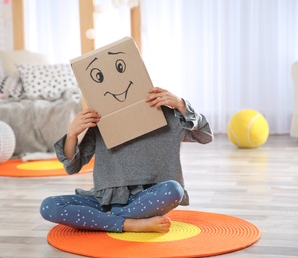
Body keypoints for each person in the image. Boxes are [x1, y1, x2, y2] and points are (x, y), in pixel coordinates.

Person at [40, 87, 213, 233]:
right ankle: (129, 224)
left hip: (145, 201)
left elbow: (205, 136)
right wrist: (72, 134)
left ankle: (111, 220)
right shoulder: (102, 120)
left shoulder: (168, 116)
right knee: (49, 206)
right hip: (104, 200)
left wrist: (182, 105)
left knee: (174, 189)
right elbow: (72, 167)